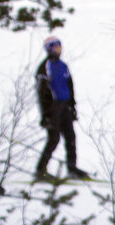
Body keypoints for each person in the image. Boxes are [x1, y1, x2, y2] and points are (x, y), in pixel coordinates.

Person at [34, 36, 89, 180]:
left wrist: (72, 106)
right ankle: (41, 170)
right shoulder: (44, 68)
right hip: (53, 107)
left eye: (59, 46)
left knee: (70, 136)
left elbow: (69, 86)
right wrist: (45, 114)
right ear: (49, 49)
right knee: (54, 138)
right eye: (55, 47)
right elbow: (42, 93)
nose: (58, 49)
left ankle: (72, 168)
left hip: (65, 106)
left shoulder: (63, 65)